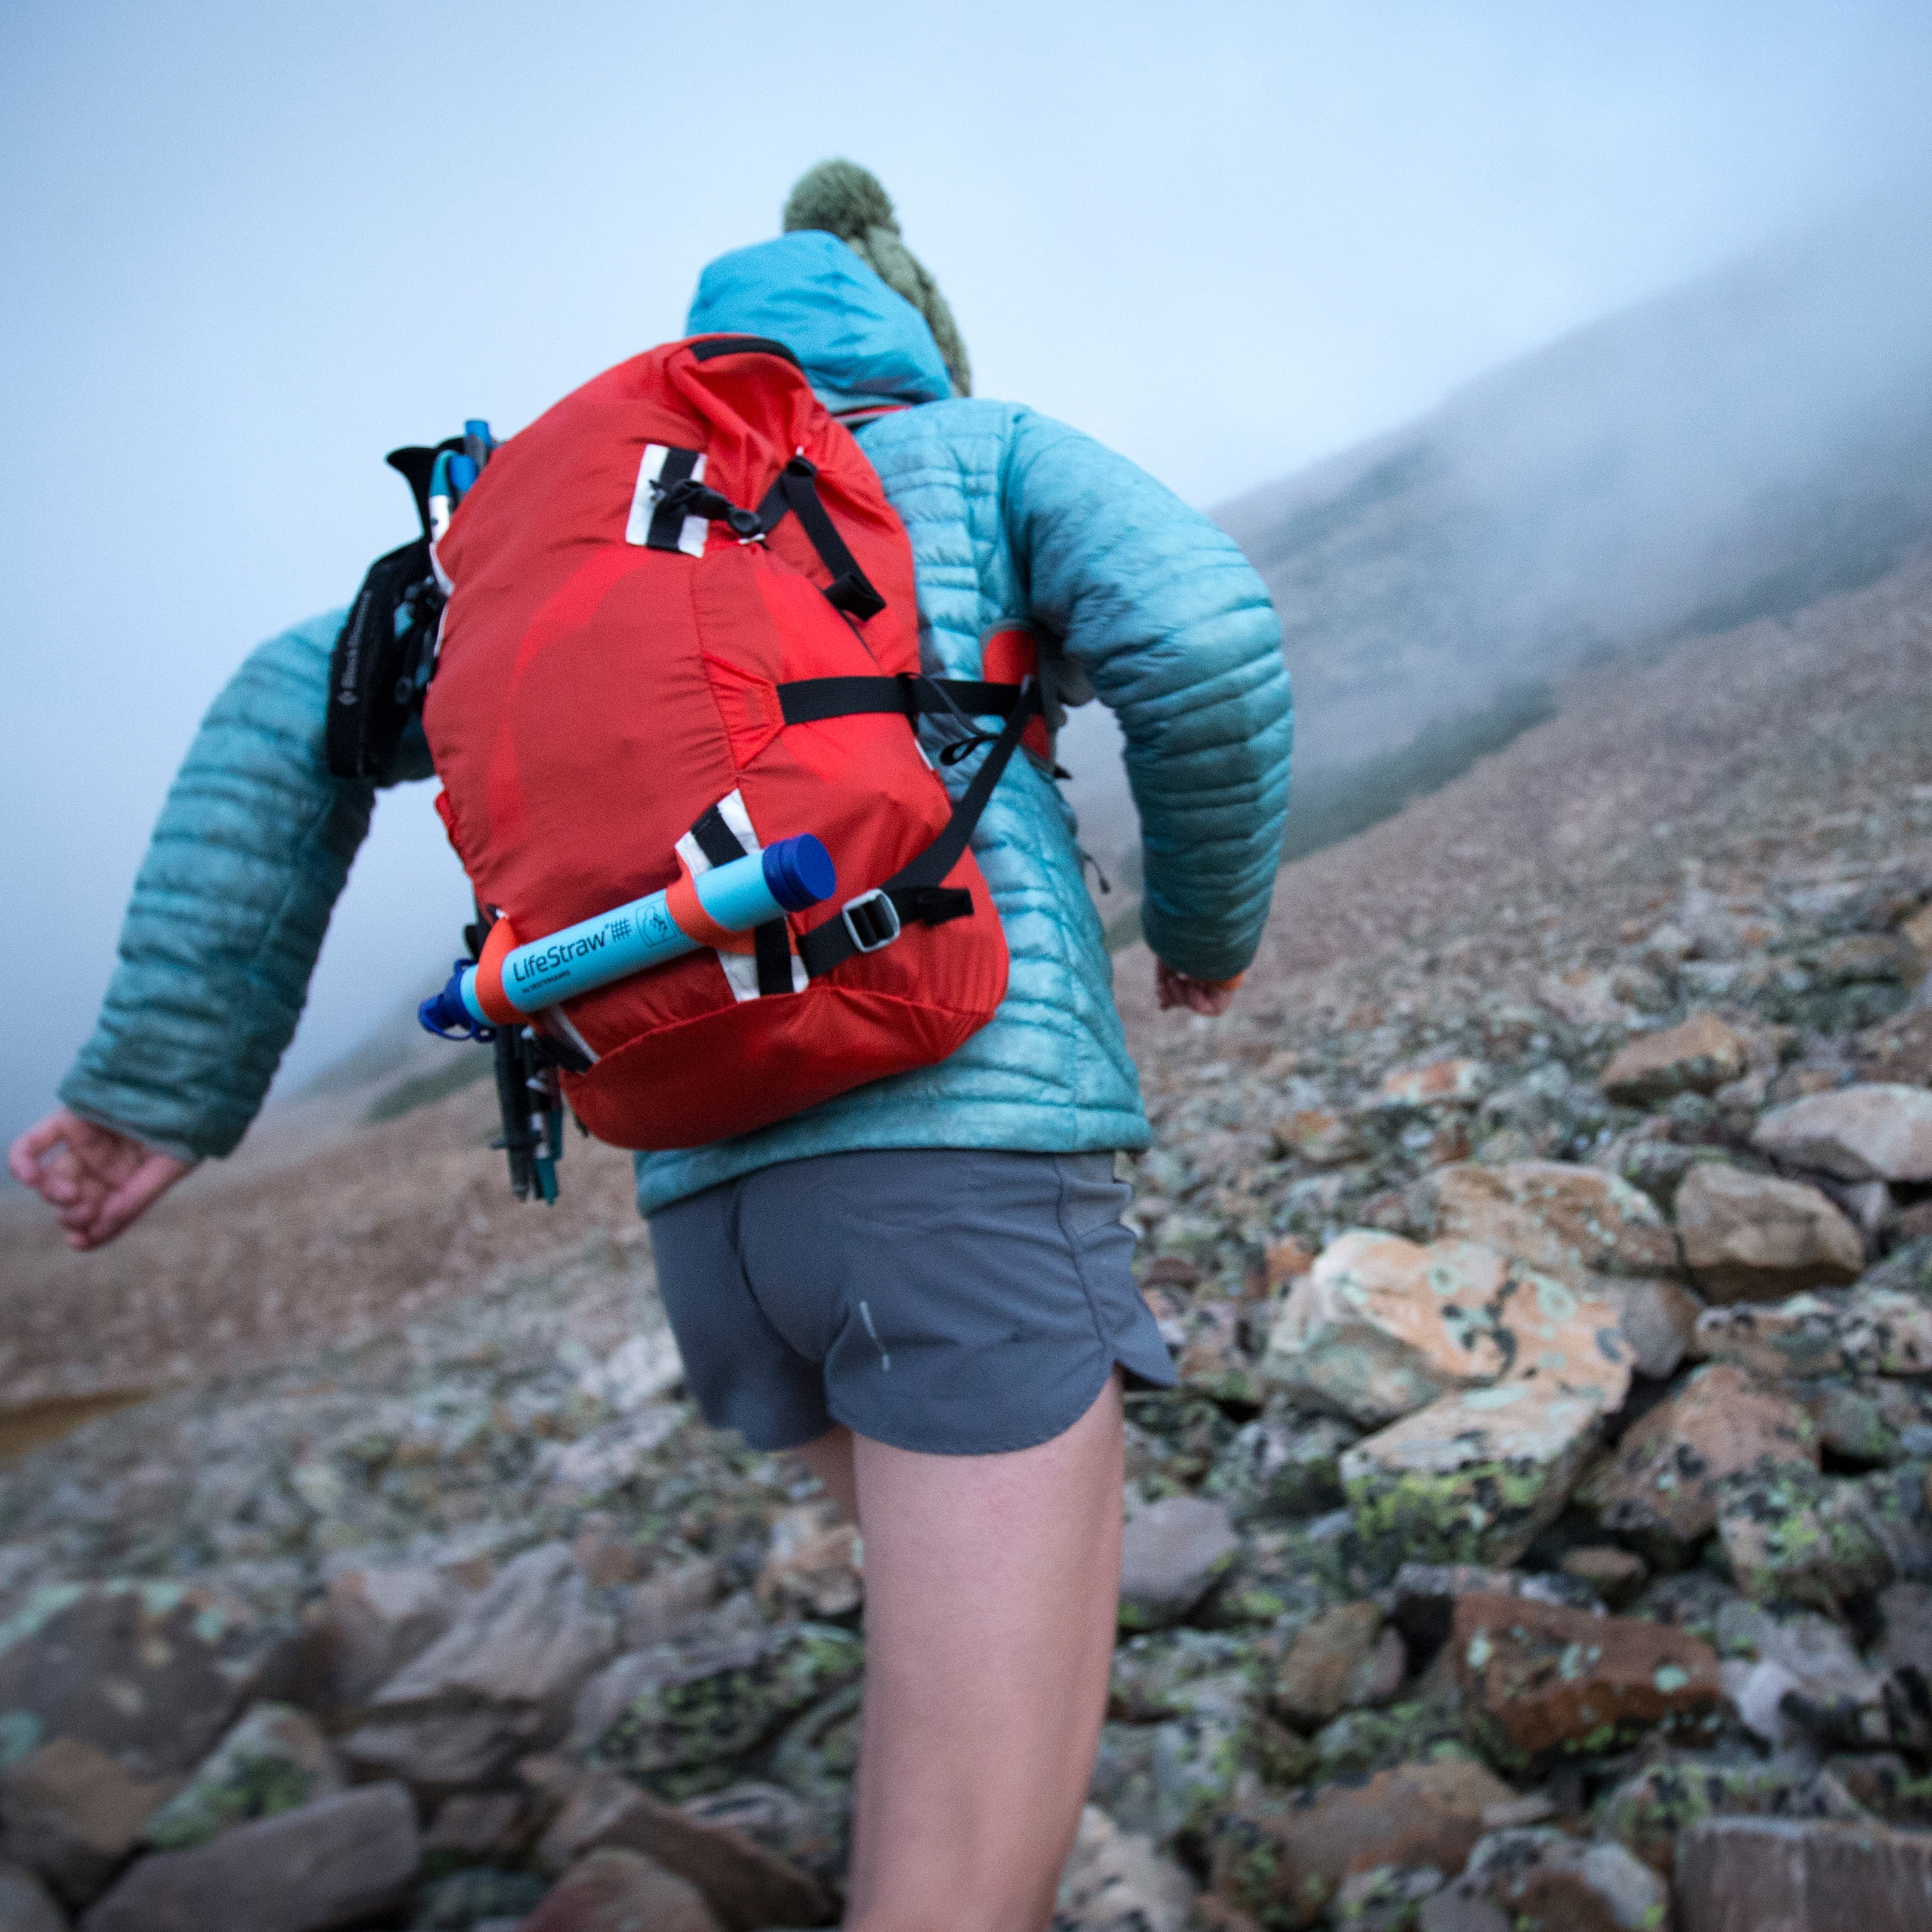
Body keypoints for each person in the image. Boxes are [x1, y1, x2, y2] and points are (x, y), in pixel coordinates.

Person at [10, 161, 1291, 1931]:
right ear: (914, 338)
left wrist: (152, 1091)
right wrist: (1204, 933)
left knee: (937, 1698)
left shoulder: (573, 531)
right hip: (959, 1165)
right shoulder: (975, 453)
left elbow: (273, 718)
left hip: (704, 1204)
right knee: (957, 1879)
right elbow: (1207, 638)